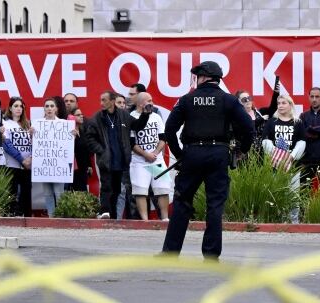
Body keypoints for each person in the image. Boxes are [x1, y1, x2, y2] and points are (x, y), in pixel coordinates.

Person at [161, 61, 254, 259]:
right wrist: (241, 151)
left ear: (203, 77)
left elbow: (169, 130)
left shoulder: (187, 99)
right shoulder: (228, 100)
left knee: (182, 202)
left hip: (192, 154)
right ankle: (211, 255)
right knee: (215, 205)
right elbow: (249, 128)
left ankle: (170, 253)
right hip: (218, 154)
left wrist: (180, 154)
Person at [85, 90, 139, 219]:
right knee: (106, 186)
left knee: (116, 189)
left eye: (104, 100)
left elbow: (137, 125)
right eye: (101, 100)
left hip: (120, 159)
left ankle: (113, 214)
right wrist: (100, 150)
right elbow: (90, 138)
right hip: (106, 159)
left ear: (112, 101)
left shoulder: (123, 115)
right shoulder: (97, 118)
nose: (101, 103)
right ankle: (105, 211)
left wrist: (146, 114)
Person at [129, 92, 171, 220]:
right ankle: (145, 220)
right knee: (140, 191)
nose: (152, 103)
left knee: (162, 189)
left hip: (156, 160)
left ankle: (165, 219)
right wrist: (145, 154)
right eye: (149, 100)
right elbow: (131, 142)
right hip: (139, 162)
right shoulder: (131, 116)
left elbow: (163, 138)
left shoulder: (156, 117)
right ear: (141, 103)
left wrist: (156, 153)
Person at [1, 96, 33, 216]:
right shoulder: (5, 124)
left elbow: (35, 144)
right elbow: (7, 145)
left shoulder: (28, 124)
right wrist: (22, 160)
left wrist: (30, 159)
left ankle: (28, 218)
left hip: (27, 166)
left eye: (21, 106)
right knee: (11, 192)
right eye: (16, 106)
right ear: (10, 108)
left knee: (26, 193)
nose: (19, 108)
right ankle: (11, 217)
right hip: (11, 165)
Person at [40, 97, 69, 216]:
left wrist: (72, 134)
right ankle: (51, 217)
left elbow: (68, 143)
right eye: (47, 106)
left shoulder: (64, 124)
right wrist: (32, 135)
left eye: (52, 106)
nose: (49, 108)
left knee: (59, 192)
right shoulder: (38, 124)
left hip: (59, 164)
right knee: (47, 193)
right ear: (44, 109)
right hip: (44, 164)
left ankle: (61, 216)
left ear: (56, 109)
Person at [261, 93, 306, 169]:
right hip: (274, 164)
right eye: (279, 103)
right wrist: (279, 156)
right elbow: (265, 140)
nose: (280, 105)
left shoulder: (298, 122)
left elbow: (302, 142)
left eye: (284, 103)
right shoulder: (271, 121)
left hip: (293, 165)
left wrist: (291, 157)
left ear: (290, 105)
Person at [70, 108, 93, 192]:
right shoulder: (68, 132)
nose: (81, 116)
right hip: (73, 170)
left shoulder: (82, 131)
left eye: (82, 114)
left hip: (83, 169)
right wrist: (72, 138)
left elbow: (86, 150)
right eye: (78, 115)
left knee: (83, 193)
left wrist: (89, 165)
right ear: (72, 118)